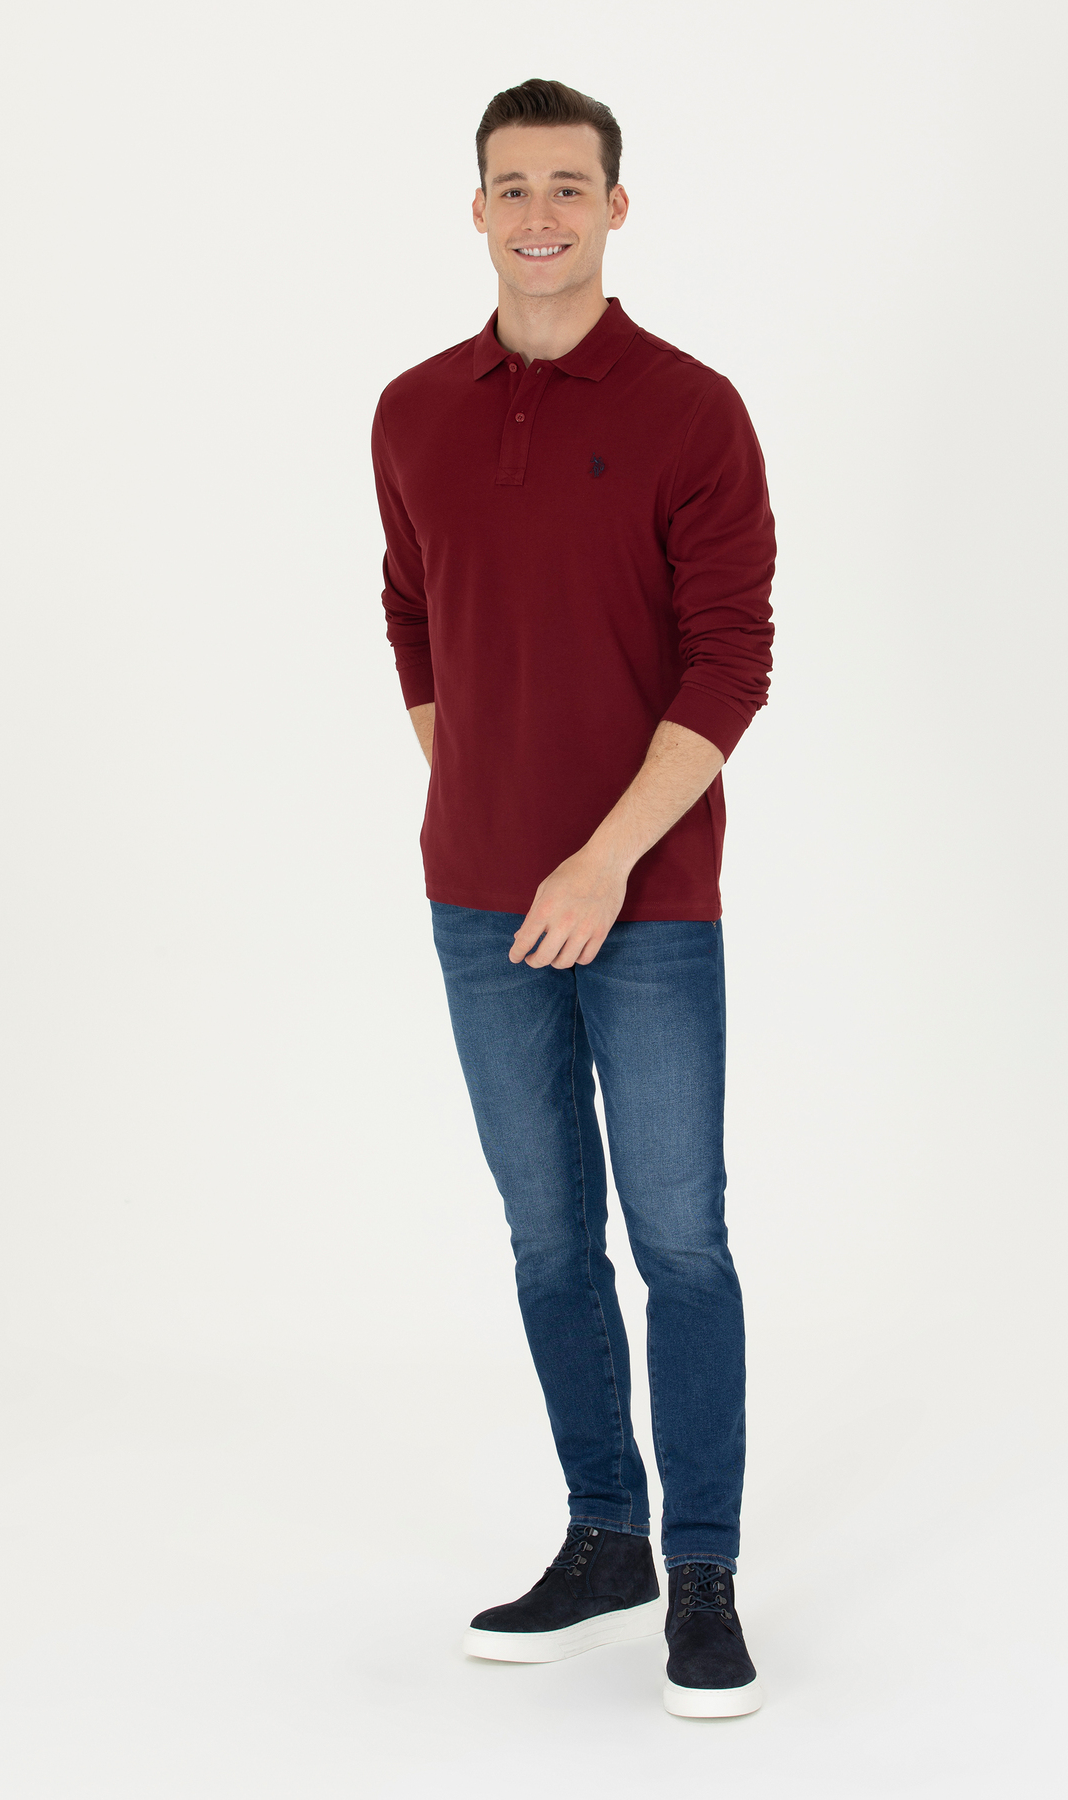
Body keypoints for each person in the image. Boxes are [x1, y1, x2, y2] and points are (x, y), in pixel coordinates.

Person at [370, 77, 776, 1719]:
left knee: (681, 1240)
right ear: (475, 208)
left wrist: (601, 856)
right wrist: (483, 806)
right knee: (549, 1240)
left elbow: (731, 662)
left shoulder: (693, 411)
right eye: (512, 185)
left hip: (652, 901)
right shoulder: (412, 410)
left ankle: (704, 1574)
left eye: (569, 184)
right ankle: (606, 1537)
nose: (539, 213)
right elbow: (412, 621)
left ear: (617, 205)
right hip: (478, 908)